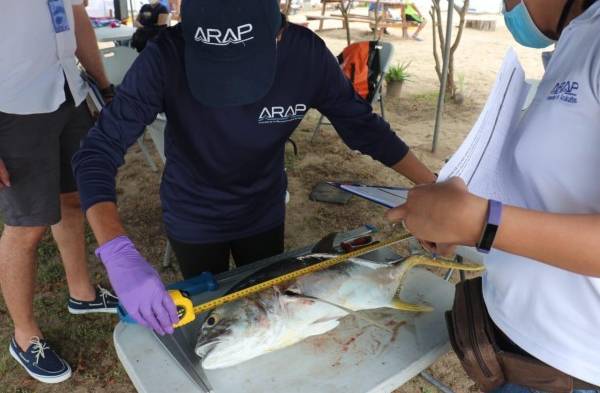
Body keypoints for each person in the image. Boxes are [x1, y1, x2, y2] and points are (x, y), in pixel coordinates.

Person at [72, 0, 436, 336]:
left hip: (262, 210)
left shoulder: (305, 55)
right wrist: (117, 252)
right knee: (214, 324)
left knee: (268, 317)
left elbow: (363, 128)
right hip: (192, 213)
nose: (230, 86)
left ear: (278, 30)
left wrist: (432, 187)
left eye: (243, 66)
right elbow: (98, 150)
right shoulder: (165, 55)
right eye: (214, 67)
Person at [386, 0, 600, 391]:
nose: (506, 7)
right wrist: (465, 218)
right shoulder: (576, 38)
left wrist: (482, 222)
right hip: (517, 347)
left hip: (572, 365)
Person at [0, 0, 119, 384]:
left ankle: (82, 293)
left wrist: (103, 86)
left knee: (74, 199)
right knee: (26, 226)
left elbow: (76, 16)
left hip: (68, 89)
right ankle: (24, 335)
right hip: (12, 106)